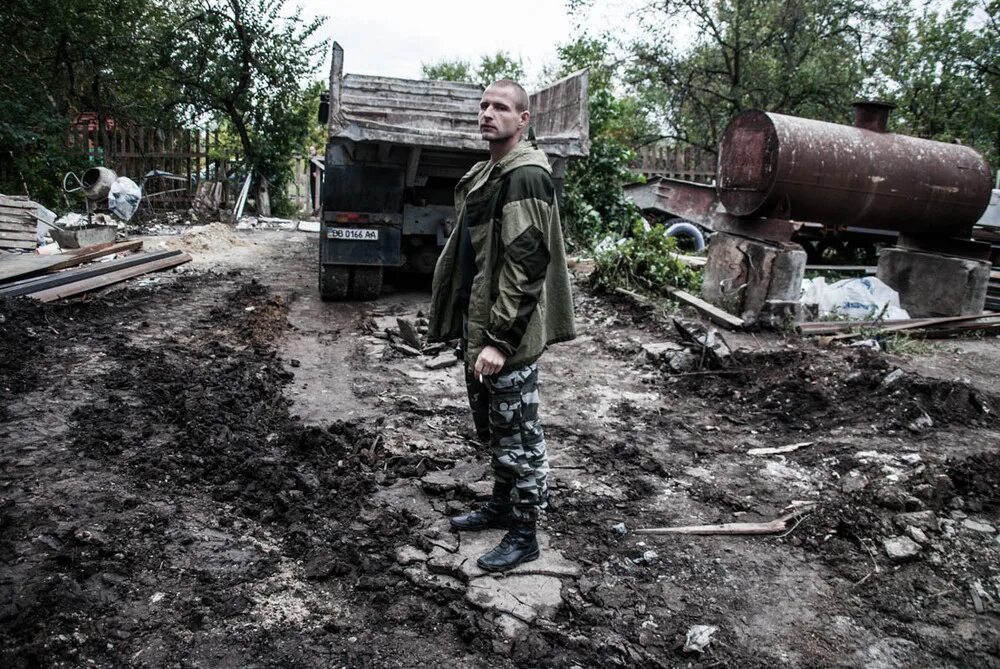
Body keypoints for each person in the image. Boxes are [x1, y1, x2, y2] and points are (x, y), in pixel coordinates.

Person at [427, 79, 576, 572]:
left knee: (520, 436)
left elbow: (526, 265)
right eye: (484, 105)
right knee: (496, 429)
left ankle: (524, 533)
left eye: (502, 108)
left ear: (523, 119)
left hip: (504, 338)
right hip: (481, 329)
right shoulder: (490, 171)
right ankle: (500, 506)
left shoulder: (525, 176)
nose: (488, 113)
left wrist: (499, 341)